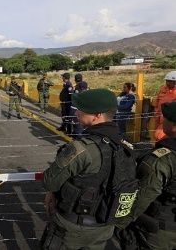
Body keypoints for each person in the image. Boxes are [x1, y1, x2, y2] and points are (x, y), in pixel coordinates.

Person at [41, 89, 138, 249]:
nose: (77, 112)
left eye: (82, 110)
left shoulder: (81, 148)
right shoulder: (125, 146)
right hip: (104, 226)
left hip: (72, 228)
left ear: (97, 115)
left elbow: (49, 181)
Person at [127, 101, 176, 249]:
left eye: (166, 118)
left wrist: (121, 222)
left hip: (162, 230)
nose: (162, 121)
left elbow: (143, 197)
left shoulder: (162, 159)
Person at [154, 71, 176, 141]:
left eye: (170, 81)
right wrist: (156, 113)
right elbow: (157, 102)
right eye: (167, 81)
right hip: (159, 118)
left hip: (171, 120)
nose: (168, 83)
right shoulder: (162, 89)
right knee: (157, 135)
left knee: (164, 137)